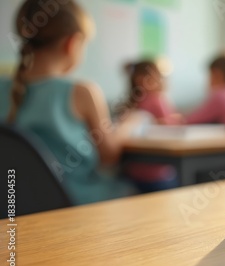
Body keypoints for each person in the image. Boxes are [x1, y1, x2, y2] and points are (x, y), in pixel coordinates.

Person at [0, 0, 139, 205]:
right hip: (76, 205)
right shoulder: (82, 92)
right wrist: (130, 123)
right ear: (72, 43)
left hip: (15, 207)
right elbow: (109, 156)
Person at [120, 60, 179, 193]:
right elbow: (172, 129)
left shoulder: (131, 104)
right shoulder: (157, 100)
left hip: (133, 173)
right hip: (157, 174)